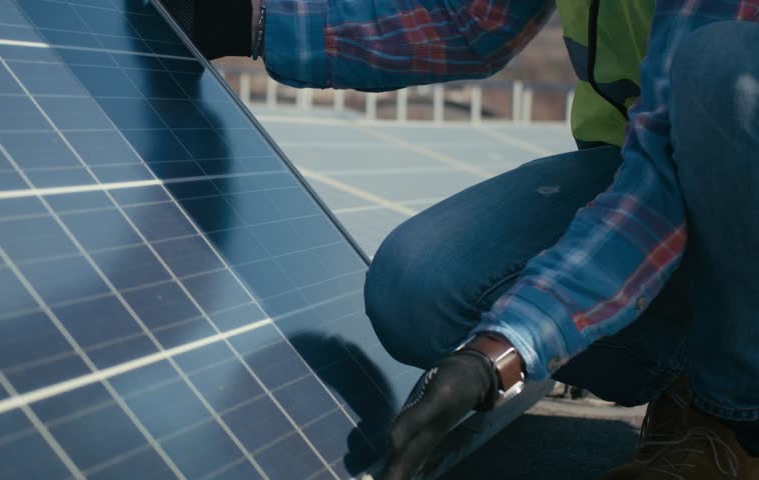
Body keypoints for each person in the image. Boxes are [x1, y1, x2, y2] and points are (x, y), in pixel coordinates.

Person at [160, 0, 759, 478]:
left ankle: (733, 419)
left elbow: (661, 185)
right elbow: (469, 21)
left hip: (713, 173)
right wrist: (253, 22)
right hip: (657, 169)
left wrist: (508, 344)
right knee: (421, 286)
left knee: (727, 72)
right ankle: (694, 363)